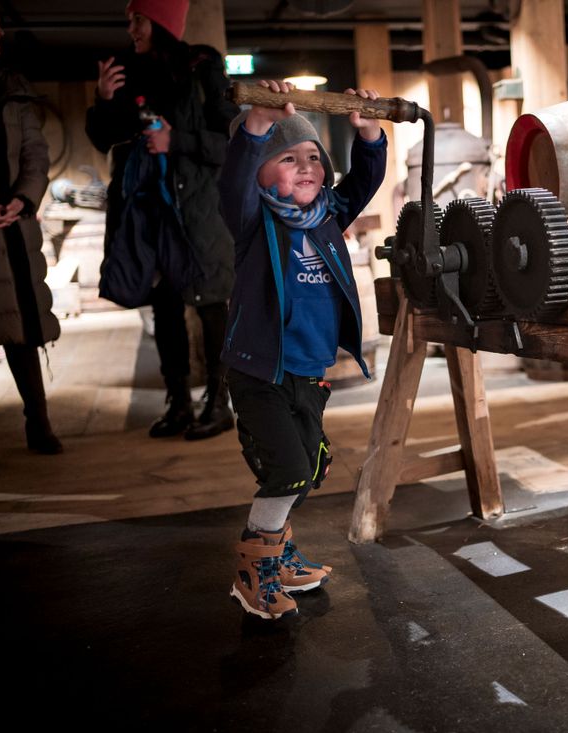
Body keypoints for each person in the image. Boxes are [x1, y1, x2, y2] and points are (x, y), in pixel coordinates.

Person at [219, 80, 386, 619]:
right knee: (287, 470)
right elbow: (234, 184)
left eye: (313, 157)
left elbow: (366, 178)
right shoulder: (253, 221)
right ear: (261, 173)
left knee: (310, 469)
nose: (306, 167)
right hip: (260, 372)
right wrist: (258, 124)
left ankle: (279, 549)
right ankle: (254, 571)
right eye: (288, 159)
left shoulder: (328, 216)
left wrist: (369, 133)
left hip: (311, 371)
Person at [86, 0, 239, 441]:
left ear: (162, 20)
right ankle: (179, 403)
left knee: (211, 301)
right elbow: (103, 138)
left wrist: (176, 140)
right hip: (148, 208)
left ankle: (219, 403)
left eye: (138, 18)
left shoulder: (201, 67)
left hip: (197, 208)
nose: (130, 28)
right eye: (129, 19)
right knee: (164, 303)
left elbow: (229, 142)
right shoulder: (127, 71)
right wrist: (103, 100)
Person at [0, 1, 62, 489]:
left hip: (15, 225)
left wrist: (25, 197)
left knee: (23, 324)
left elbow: (35, 152)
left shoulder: (10, 85)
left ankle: (38, 423)